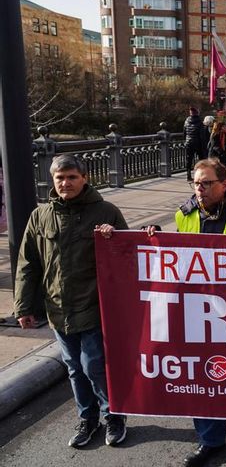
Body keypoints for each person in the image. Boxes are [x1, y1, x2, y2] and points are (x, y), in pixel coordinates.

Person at [146, 158, 226, 466]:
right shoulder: (184, 213)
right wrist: (156, 235)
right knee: (201, 373)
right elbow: (177, 253)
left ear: (223, 185)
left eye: (206, 183)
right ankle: (210, 439)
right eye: (195, 183)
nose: (199, 189)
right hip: (200, 310)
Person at [14, 154, 129, 448]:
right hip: (58, 309)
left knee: (93, 366)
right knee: (74, 368)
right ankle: (87, 419)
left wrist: (114, 240)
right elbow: (28, 264)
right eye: (60, 178)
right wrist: (24, 307)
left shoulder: (106, 211)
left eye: (72, 177)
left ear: (85, 178)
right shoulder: (40, 216)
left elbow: (130, 255)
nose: (65, 183)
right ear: (52, 181)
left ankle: (113, 415)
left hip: (93, 306)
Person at [184, 107, 205, 182]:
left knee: (189, 159)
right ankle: (201, 175)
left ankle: (188, 175)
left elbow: (184, 132)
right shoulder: (199, 121)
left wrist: (186, 140)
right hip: (198, 143)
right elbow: (202, 135)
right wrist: (204, 145)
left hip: (189, 142)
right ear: (197, 113)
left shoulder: (186, 121)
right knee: (201, 159)